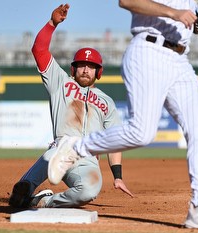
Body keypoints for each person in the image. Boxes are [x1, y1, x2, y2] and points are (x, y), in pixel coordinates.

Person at [47, 0, 198, 230]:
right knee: (142, 133)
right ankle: (76, 148)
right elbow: (127, 1)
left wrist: (196, 22)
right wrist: (174, 13)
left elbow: (191, 15)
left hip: (180, 59)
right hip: (149, 51)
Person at [8, 4, 133, 209]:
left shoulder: (106, 102)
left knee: (89, 190)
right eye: (82, 65)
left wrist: (117, 177)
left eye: (91, 66)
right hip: (62, 147)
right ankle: (24, 189)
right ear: (73, 69)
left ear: (98, 72)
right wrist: (52, 24)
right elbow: (39, 50)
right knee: (21, 196)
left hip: (88, 159)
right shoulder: (61, 83)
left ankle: (43, 201)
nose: (86, 70)